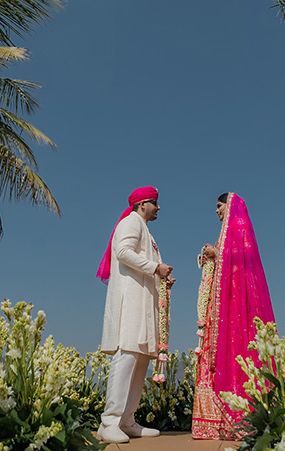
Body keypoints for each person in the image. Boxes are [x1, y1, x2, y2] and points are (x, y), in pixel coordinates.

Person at [192, 192, 275, 440]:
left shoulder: (239, 226)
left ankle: (238, 415)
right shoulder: (224, 233)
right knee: (213, 350)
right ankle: (212, 420)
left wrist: (217, 255)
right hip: (221, 302)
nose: (217, 212)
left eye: (219, 207)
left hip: (236, 301)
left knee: (236, 350)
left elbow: (246, 258)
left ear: (230, 206)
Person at [96, 186, 175, 444]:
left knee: (140, 358)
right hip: (130, 303)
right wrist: (155, 267)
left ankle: (127, 421)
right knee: (127, 357)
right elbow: (123, 252)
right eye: (155, 203)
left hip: (143, 305)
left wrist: (161, 277)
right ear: (142, 204)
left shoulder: (145, 229)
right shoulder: (131, 223)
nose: (158, 208)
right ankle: (109, 421)